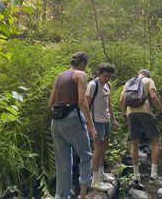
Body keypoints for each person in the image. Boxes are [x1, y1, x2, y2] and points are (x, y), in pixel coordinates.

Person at [49, 52, 97, 199]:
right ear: (83, 63)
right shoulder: (80, 75)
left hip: (56, 122)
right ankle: (82, 196)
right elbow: (82, 102)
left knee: (63, 163)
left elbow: (50, 103)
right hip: (73, 118)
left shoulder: (60, 76)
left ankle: (60, 196)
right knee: (86, 156)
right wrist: (91, 126)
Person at [119, 69, 162, 187]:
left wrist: (124, 115)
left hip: (130, 113)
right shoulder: (148, 80)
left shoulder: (128, 82)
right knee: (155, 141)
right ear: (147, 74)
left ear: (138, 74)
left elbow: (122, 100)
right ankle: (153, 176)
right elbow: (153, 96)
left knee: (134, 143)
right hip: (145, 111)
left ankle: (136, 177)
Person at [86, 63, 119, 191]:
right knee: (98, 148)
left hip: (106, 120)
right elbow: (85, 105)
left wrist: (114, 119)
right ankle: (95, 180)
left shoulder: (108, 85)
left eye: (109, 77)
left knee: (104, 147)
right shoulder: (93, 85)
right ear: (99, 73)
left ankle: (101, 173)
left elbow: (108, 104)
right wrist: (89, 125)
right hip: (96, 121)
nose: (107, 79)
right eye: (105, 76)